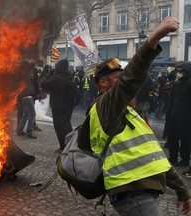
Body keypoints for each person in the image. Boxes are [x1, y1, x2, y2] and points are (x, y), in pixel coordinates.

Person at [90, 17, 191, 215]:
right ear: (103, 83)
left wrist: (182, 189)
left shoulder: (129, 112)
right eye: (118, 79)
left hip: (139, 191)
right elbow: (130, 80)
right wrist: (154, 38)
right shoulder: (105, 106)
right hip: (132, 192)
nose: (128, 86)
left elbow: (154, 157)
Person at [40, 59, 76, 152]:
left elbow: (43, 84)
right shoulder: (68, 77)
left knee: (60, 127)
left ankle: (63, 147)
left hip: (58, 106)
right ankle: (70, 145)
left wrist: (47, 73)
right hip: (68, 106)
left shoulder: (57, 78)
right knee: (67, 125)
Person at [166, 62, 191, 168]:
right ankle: (173, 157)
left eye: (181, 71)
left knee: (186, 139)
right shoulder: (176, 84)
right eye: (178, 71)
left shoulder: (189, 84)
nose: (179, 73)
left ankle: (185, 159)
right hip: (174, 116)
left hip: (186, 117)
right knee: (172, 137)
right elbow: (171, 100)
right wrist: (168, 113)